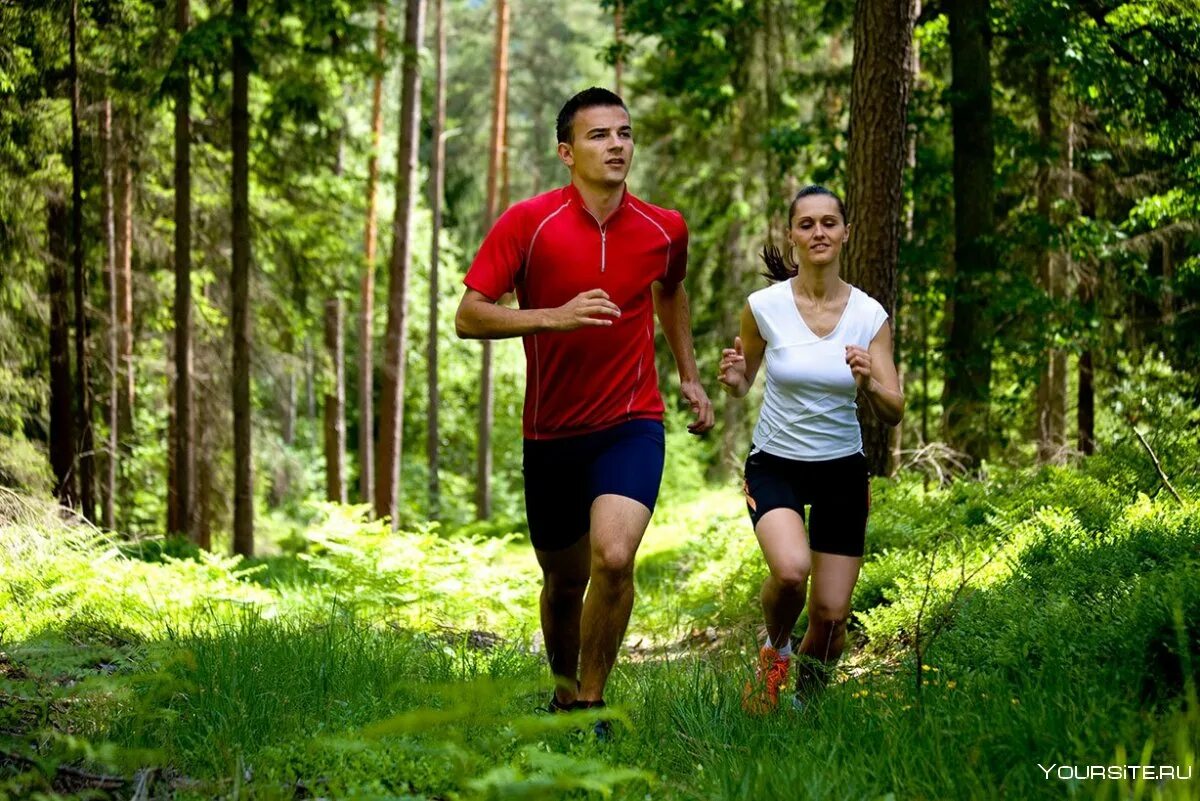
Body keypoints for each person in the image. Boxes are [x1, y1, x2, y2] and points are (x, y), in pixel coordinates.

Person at [455, 87, 714, 735]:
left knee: (616, 557)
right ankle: (563, 694)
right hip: (550, 432)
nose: (617, 144)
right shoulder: (528, 222)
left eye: (624, 133)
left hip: (631, 420)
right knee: (565, 583)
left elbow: (672, 291)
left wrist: (689, 375)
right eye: (599, 135)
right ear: (567, 151)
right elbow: (469, 314)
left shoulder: (664, 227)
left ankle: (594, 704)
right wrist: (552, 318)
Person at [717, 185, 903, 713]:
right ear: (791, 235)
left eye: (828, 223)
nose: (818, 233)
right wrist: (733, 379)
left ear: (845, 233)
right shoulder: (764, 307)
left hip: (841, 470)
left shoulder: (869, 315)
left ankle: (806, 709)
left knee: (830, 615)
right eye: (806, 224)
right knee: (792, 570)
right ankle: (774, 648)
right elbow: (744, 379)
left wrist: (870, 382)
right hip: (776, 464)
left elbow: (895, 407)